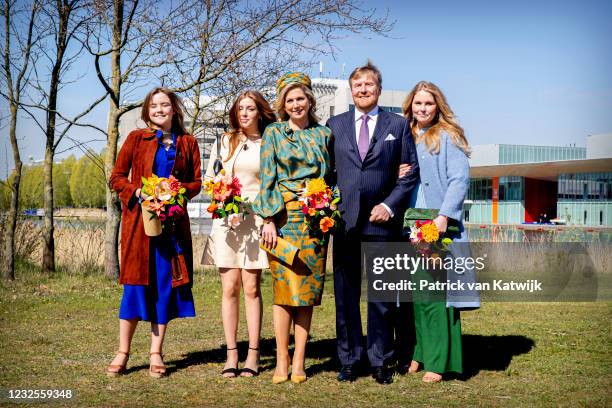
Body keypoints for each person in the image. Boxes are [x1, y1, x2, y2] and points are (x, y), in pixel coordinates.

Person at [326, 61, 419, 385]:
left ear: (378, 89)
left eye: (369, 85)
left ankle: (381, 360)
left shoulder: (398, 124)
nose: (363, 90)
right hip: (345, 223)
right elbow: (327, 175)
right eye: (358, 85)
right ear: (351, 91)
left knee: (382, 296)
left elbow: (410, 174)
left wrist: (389, 206)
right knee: (345, 295)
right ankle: (350, 359)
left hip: (383, 224)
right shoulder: (334, 125)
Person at [106, 87, 202, 378]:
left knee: (163, 289)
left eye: (164, 105)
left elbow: (196, 183)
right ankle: (122, 352)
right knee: (134, 289)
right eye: (153, 106)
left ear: (174, 109)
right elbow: (116, 177)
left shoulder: (189, 143)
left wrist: (174, 192)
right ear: (147, 111)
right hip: (139, 227)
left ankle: (156, 353)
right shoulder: (136, 139)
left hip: (171, 229)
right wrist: (140, 191)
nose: (159, 110)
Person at [253, 72, 332, 384]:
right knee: (284, 291)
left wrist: (326, 207)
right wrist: (269, 219)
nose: (296, 104)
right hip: (283, 220)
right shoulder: (273, 132)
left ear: (310, 100)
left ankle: (299, 359)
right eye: (290, 100)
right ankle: (282, 359)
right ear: (282, 104)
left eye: (301, 98)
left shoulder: (324, 134)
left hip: (315, 219)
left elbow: (333, 176)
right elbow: (267, 177)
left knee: (307, 292)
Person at [400, 80, 476, 382]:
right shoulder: (406, 135)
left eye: (428, 104)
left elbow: (460, 180)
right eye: (418, 104)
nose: (422, 109)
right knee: (417, 296)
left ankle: (438, 361)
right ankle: (420, 351)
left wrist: (444, 217)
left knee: (435, 295)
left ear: (438, 106)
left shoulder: (447, 136)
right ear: (410, 106)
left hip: (436, 226)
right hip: (410, 224)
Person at [201, 91, 276, 378]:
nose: (244, 113)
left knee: (251, 288)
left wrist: (265, 215)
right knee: (229, 288)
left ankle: (253, 355)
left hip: (254, 220)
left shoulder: (269, 143)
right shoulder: (225, 140)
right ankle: (231, 353)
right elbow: (210, 177)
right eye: (240, 109)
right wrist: (219, 194)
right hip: (225, 220)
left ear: (260, 112)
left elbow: (271, 184)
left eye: (250, 109)